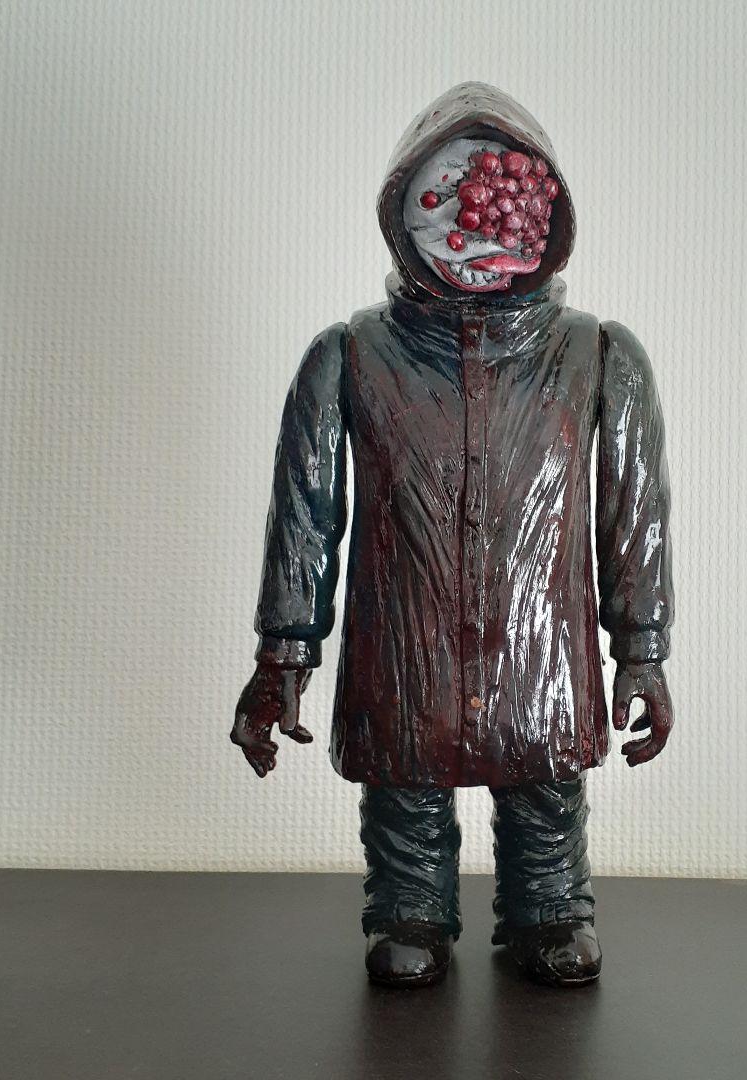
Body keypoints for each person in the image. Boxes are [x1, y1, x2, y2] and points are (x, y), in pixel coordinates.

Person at [232, 82, 674, 989]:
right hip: (403, 642)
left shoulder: (598, 357)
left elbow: (634, 514)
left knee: (545, 786)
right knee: (405, 789)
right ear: (399, 214)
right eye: (441, 207)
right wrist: (283, 656)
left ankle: (550, 905)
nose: (470, 240)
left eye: (494, 206)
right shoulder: (349, 356)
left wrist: (643, 649)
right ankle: (409, 908)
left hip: (541, 651)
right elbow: (305, 514)